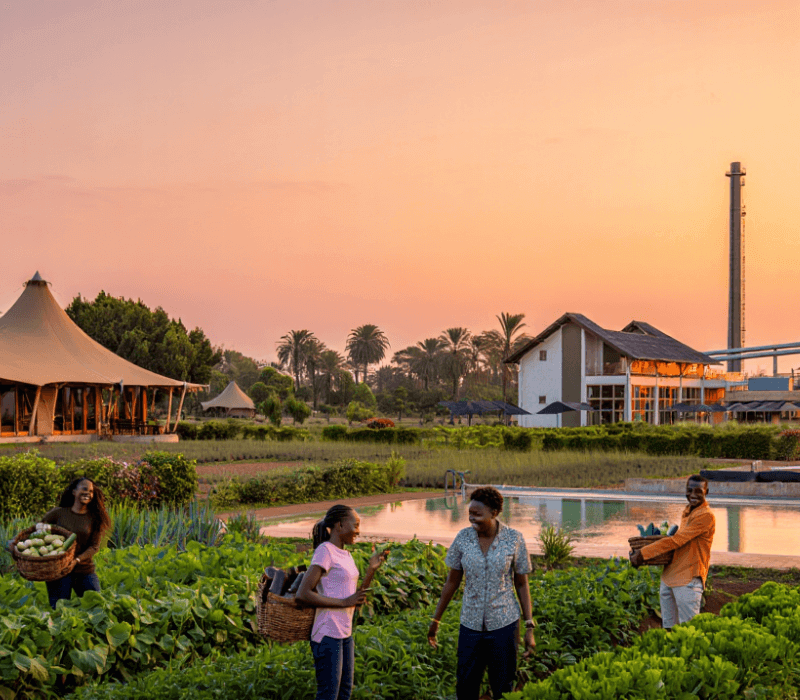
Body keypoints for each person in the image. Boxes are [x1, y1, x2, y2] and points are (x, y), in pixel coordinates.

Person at [427, 487, 536, 700]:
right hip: (470, 625)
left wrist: (529, 625)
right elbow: (452, 581)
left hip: (504, 625)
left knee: (503, 687)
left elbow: (522, 584)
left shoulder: (514, 539)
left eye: (477, 514)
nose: (471, 519)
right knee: (466, 686)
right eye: (470, 513)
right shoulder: (463, 538)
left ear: (494, 512)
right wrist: (435, 619)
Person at [295, 504, 389, 700]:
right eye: (355, 525)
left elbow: (354, 598)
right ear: (339, 525)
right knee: (328, 695)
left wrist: (371, 570)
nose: (358, 531)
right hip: (327, 632)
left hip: (344, 634)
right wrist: (344, 602)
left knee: (344, 693)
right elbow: (303, 593)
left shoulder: (346, 555)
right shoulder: (325, 550)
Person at [630, 474, 716, 629]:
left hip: (687, 580)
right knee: (669, 629)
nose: (693, 495)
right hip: (669, 577)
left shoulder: (706, 516)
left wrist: (643, 554)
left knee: (688, 633)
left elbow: (677, 540)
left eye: (698, 491)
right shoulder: (688, 511)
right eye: (690, 490)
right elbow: (677, 543)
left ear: (706, 492)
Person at [40, 477, 111, 609]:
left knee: (98, 606)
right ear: (74, 491)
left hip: (83, 569)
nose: (88, 493)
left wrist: (76, 560)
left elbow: (94, 547)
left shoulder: (95, 518)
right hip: (58, 570)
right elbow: (39, 528)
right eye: (84, 489)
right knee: (60, 610)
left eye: (91, 491)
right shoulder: (58, 513)